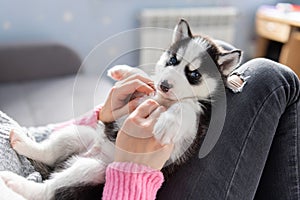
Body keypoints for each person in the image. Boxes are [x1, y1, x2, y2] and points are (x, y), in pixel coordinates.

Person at [0, 57, 299, 200]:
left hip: (102, 155)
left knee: (271, 80)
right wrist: (134, 172)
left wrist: (103, 116)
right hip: (124, 185)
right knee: (272, 80)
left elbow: (43, 135)